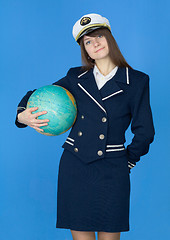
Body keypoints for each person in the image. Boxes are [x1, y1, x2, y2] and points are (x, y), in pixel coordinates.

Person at [15, 13, 155, 240]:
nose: (95, 43)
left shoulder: (137, 81)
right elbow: (38, 95)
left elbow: (145, 131)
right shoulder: (75, 77)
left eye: (99, 36)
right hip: (75, 166)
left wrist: (127, 161)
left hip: (113, 170)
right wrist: (22, 116)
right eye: (88, 42)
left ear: (109, 38)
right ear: (85, 50)